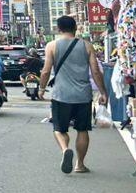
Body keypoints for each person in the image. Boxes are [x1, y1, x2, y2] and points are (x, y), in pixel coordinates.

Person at [39, 15, 107, 174]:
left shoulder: (52, 46)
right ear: (75, 28)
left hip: (61, 95)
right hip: (83, 96)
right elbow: (96, 71)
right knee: (82, 130)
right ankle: (80, 165)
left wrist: (41, 89)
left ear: (58, 29)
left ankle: (65, 149)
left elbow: (46, 71)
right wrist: (103, 92)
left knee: (59, 129)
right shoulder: (87, 45)